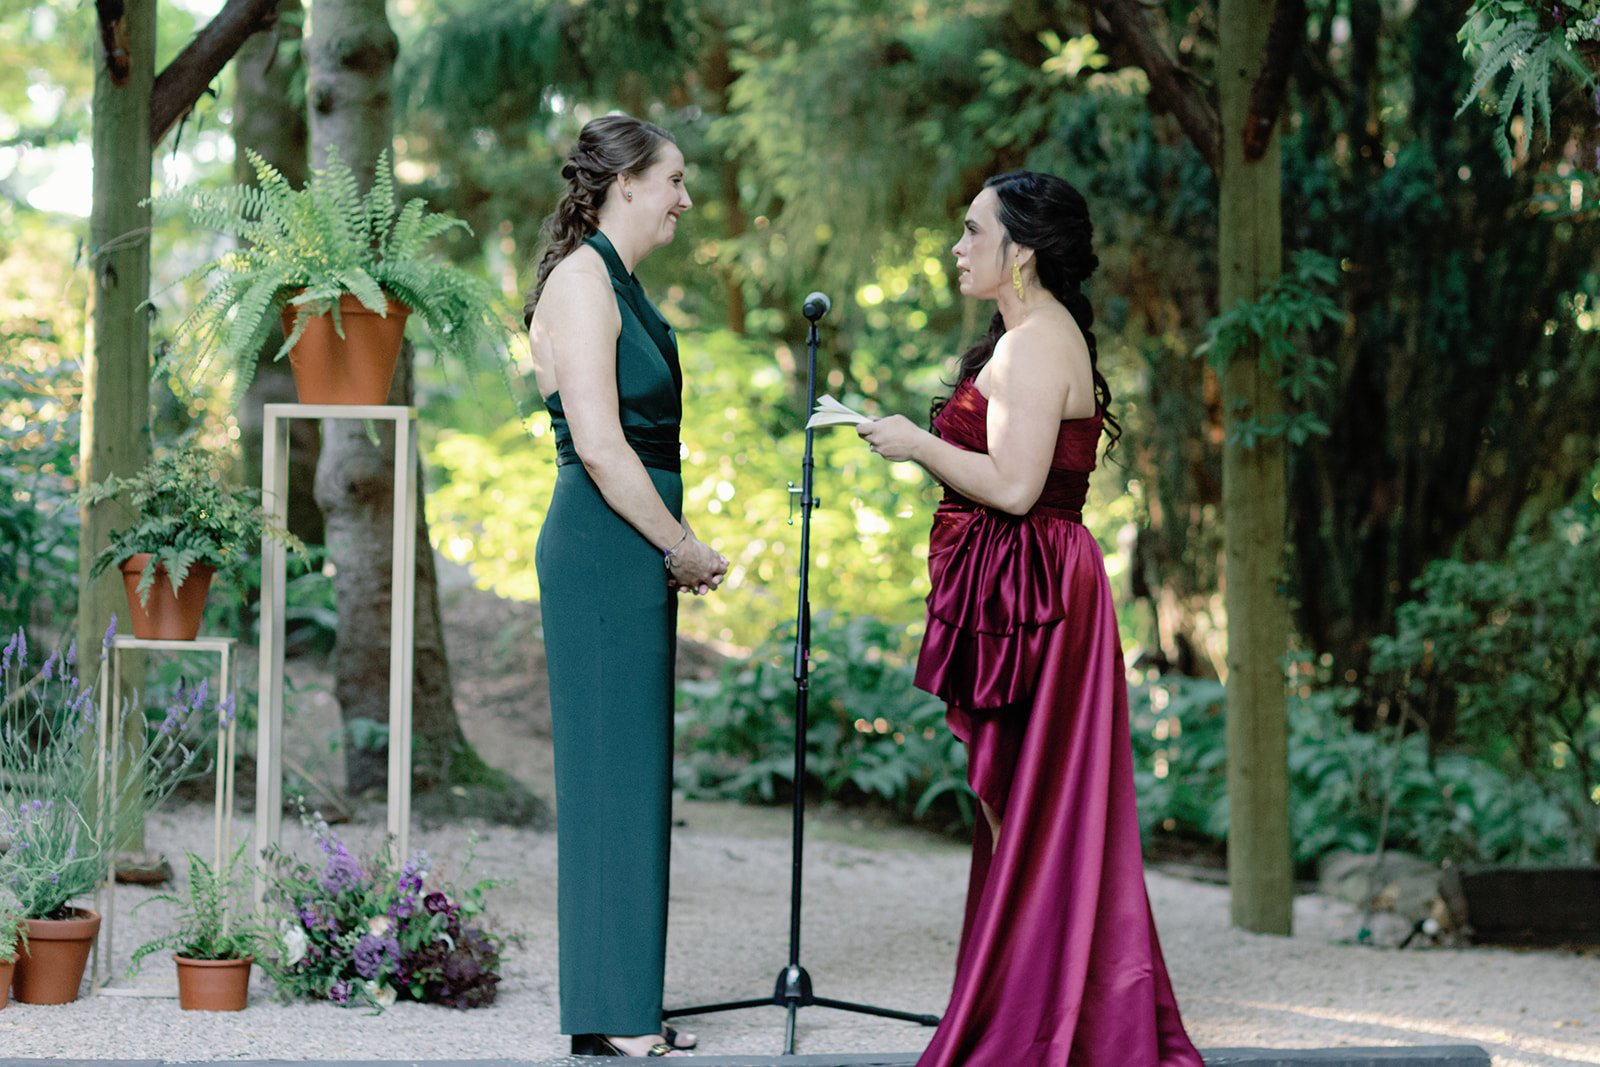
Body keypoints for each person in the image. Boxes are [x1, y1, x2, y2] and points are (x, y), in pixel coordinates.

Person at [857, 171, 1203, 1066]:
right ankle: (1049, 1009)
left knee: (1036, 806)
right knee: (1025, 808)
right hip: (1024, 582)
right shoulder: (1028, 338)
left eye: (974, 231)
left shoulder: (1039, 343)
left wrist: (915, 441)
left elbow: (1015, 487)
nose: (957, 246)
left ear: (1022, 251)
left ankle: (1056, 1024)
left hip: (1038, 592)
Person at [524, 114, 726, 1059]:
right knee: (609, 774)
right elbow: (602, 446)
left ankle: (623, 1006)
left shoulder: (618, 283)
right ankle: (610, 1015)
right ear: (629, 181)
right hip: (604, 546)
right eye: (675, 179)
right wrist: (680, 543)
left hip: (627, 547)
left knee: (634, 775)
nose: (686, 197)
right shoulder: (581, 281)